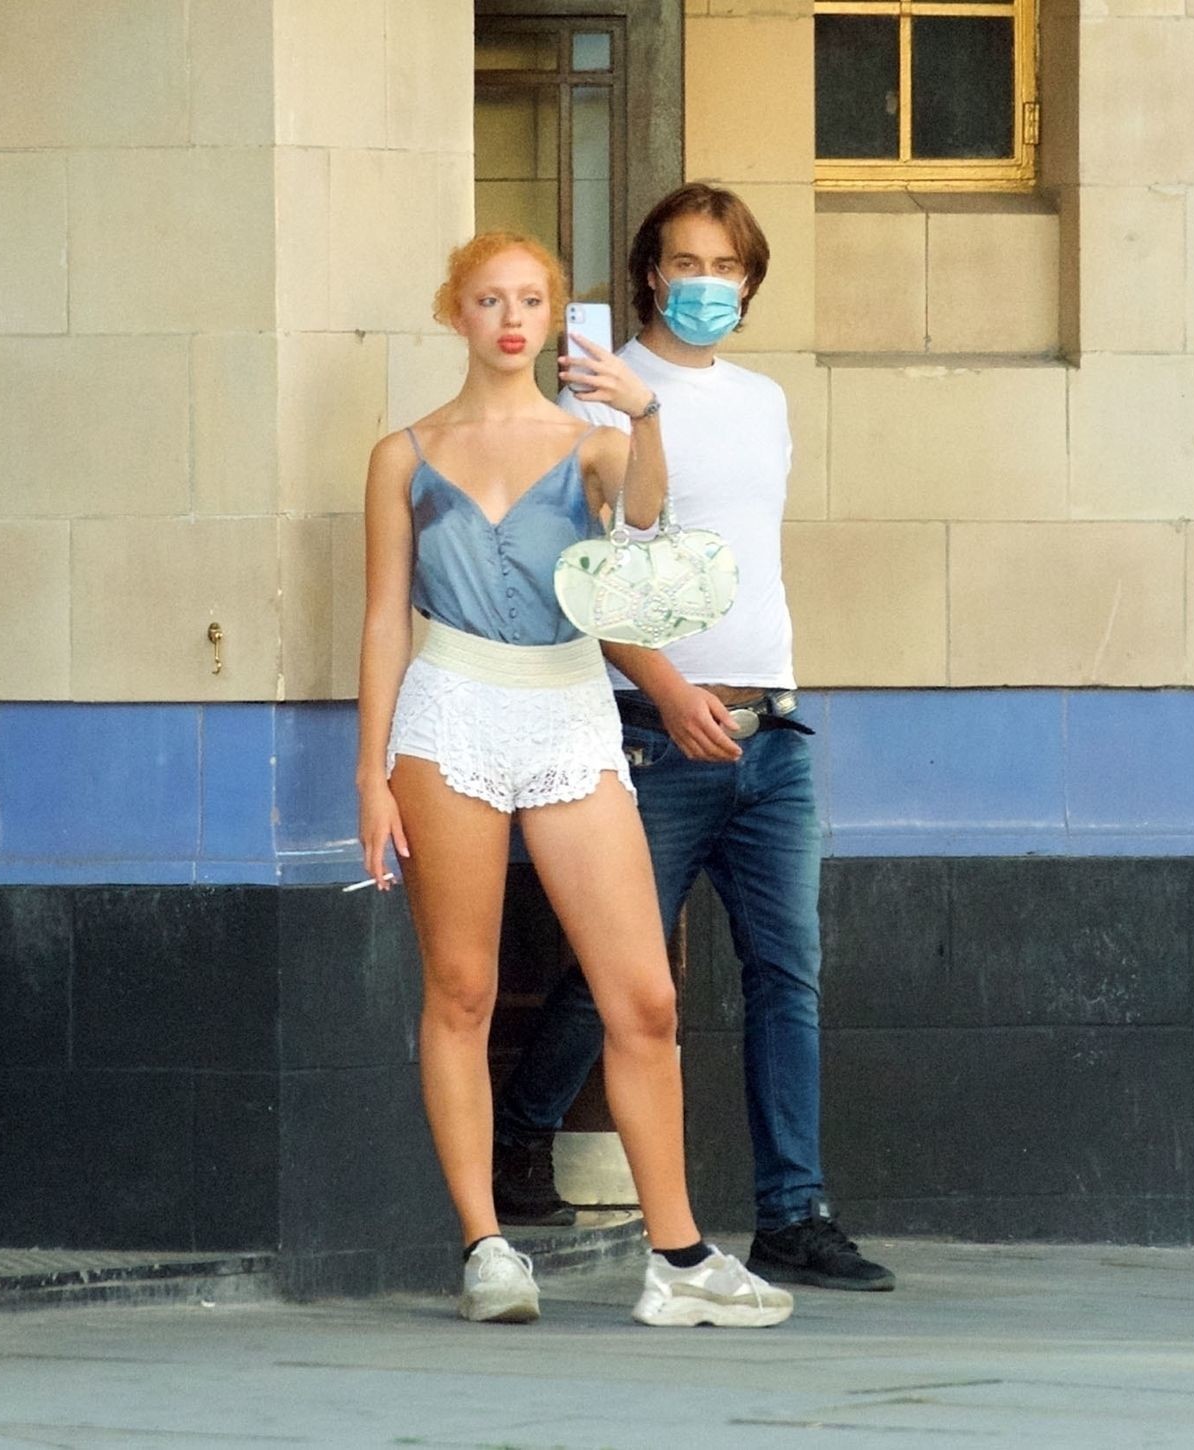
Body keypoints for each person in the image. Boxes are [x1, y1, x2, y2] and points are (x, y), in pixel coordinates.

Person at [356, 229, 793, 1329]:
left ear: (555, 316)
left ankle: (679, 1257)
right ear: (453, 312)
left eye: (530, 300)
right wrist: (370, 773)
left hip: (568, 708)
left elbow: (642, 520)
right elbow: (383, 618)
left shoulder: (591, 441)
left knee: (643, 997)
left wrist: (644, 415)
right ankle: (486, 1249)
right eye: (489, 299)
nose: (511, 319)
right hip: (450, 709)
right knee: (461, 988)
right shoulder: (403, 454)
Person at [492, 185, 897, 1294]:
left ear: (750, 280)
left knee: (787, 978)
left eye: (727, 265)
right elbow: (585, 574)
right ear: (650, 273)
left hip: (774, 728)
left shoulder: (765, 401)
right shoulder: (599, 390)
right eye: (686, 263)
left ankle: (794, 1214)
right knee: (616, 968)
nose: (707, 283)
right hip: (654, 731)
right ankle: (518, 1137)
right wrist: (668, 692)